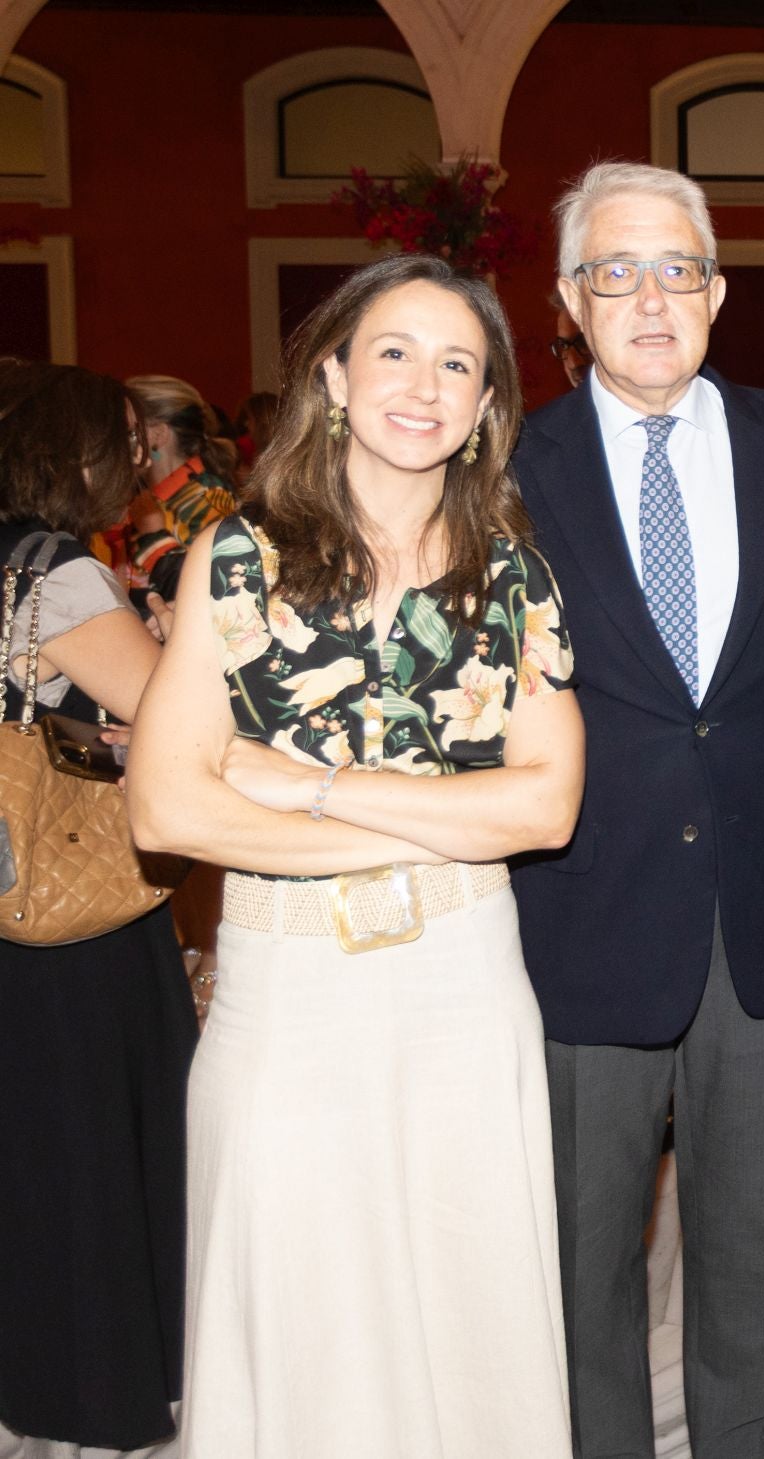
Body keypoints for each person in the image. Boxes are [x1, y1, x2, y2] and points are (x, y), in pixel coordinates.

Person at [126, 253, 584, 1459]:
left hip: (462, 990)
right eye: (395, 352)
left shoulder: (512, 576)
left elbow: (546, 810)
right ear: (333, 373)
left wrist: (316, 785)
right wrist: (432, 817)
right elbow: (167, 810)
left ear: (486, 407)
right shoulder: (236, 557)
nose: (424, 386)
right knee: (301, 1311)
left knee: (470, 1314)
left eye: (458, 365)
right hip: (288, 994)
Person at [510, 160, 764, 1459]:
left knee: (737, 1244)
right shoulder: (511, 462)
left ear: (716, 290)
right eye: (617, 271)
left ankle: (743, 1439)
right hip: (582, 916)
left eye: (677, 270)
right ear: (569, 299)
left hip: (759, 919)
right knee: (587, 1249)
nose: (650, 298)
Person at [0, 361, 196, 1454]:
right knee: (99, 1153)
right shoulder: (60, 570)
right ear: (77, 452)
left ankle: (35, 1376)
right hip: (79, 916)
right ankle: (103, 1387)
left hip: (11, 894)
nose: (136, 460)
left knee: (36, 1155)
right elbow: (172, 712)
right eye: (122, 439)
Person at [125, 374, 240, 602]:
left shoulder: (209, 499)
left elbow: (220, 593)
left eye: (128, 431)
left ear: (157, 435)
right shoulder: (144, 496)